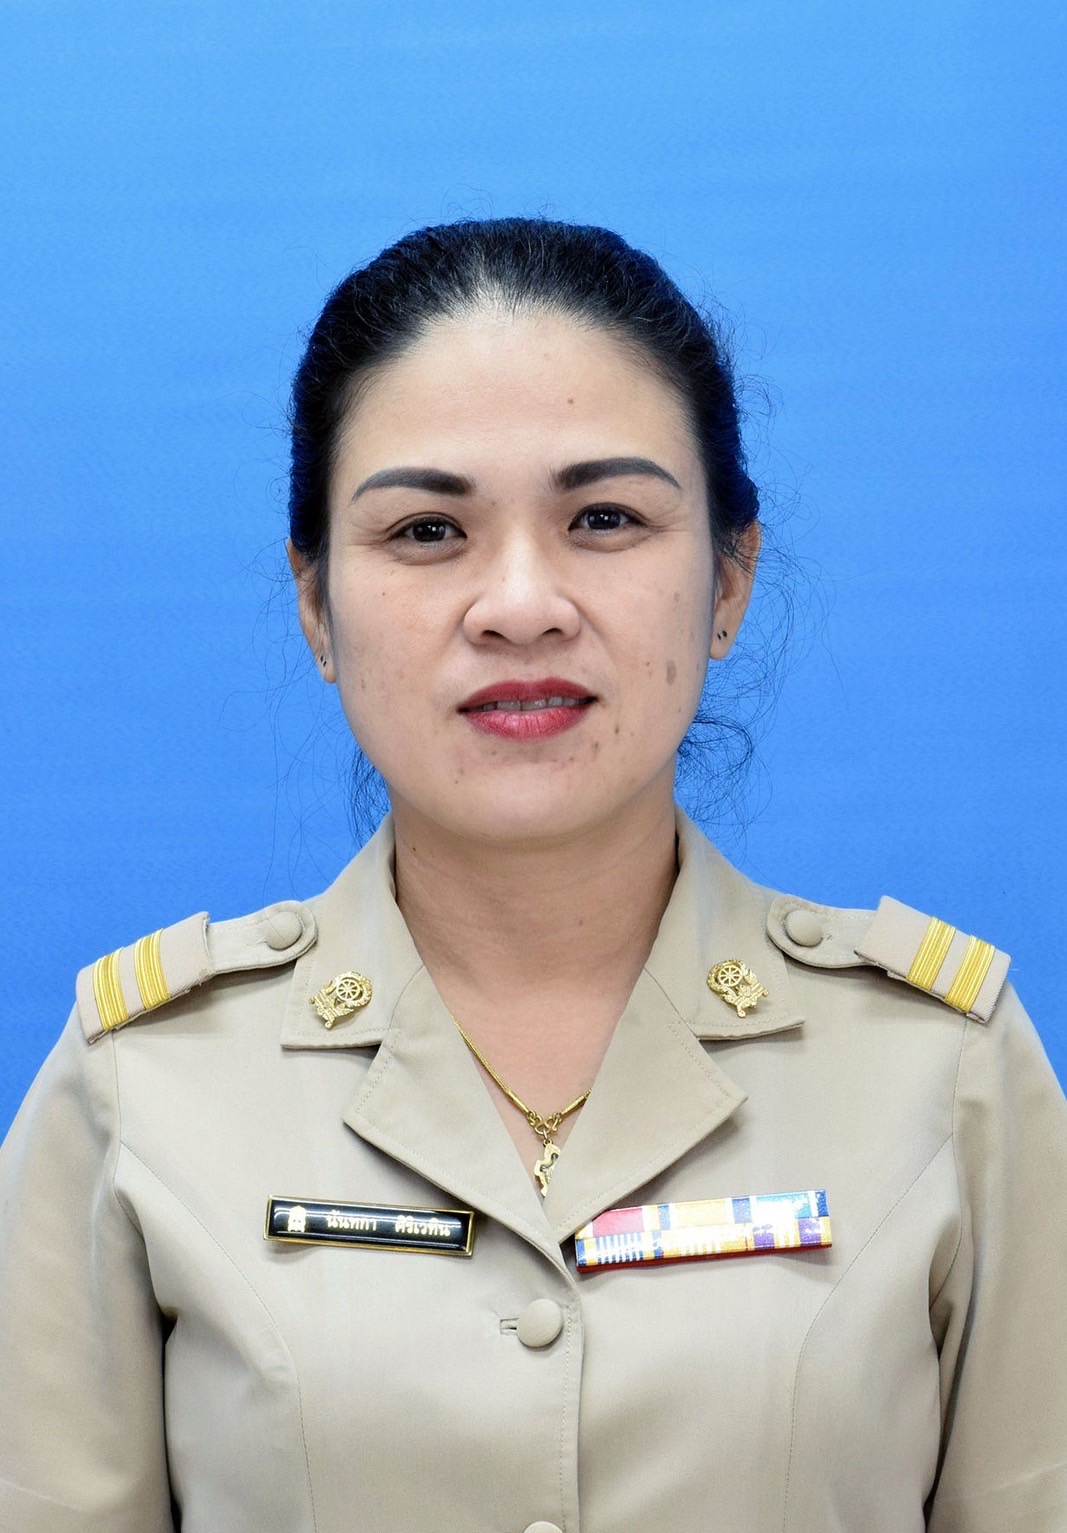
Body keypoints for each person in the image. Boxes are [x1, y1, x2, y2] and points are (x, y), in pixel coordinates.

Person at [1, 217, 1065, 1533]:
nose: (519, 604)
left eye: (604, 518)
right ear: (317, 605)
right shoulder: (144, 1083)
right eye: (427, 529)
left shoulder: (941, 1068)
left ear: (729, 580)